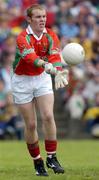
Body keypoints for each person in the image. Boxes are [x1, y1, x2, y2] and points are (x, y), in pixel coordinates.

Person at [11, 4, 68, 176]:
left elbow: (55, 56)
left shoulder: (50, 34)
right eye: (38, 17)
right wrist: (46, 65)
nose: (42, 20)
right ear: (29, 19)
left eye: (43, 16)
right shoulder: (22, 37)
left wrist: (57, 71)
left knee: (48, 116)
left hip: (42, 78)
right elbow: (30, 58)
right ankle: (38, 162)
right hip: (22, 81)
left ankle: (52, 157)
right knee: (31, 124)